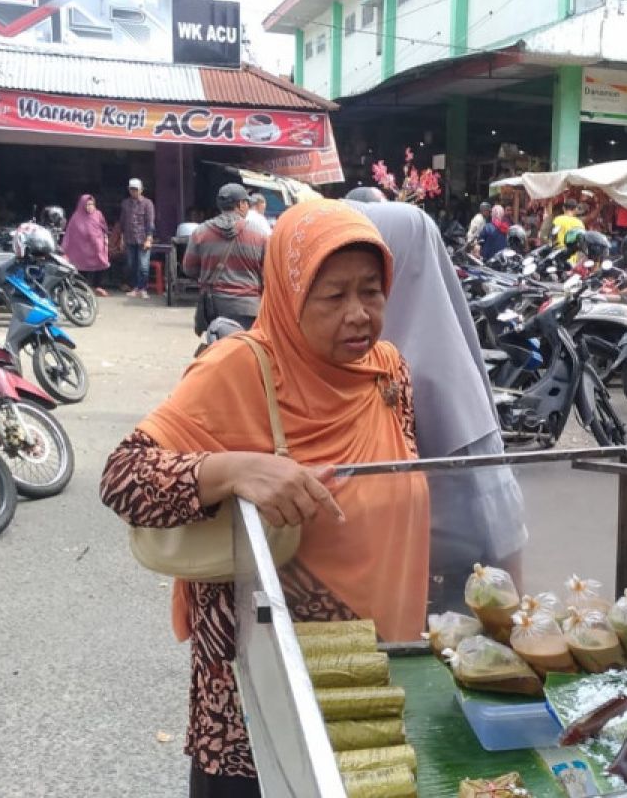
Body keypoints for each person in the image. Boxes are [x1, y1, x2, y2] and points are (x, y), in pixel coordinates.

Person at [100, 200, 429, 797]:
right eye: (333, 297)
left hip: (378, 649)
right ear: (289, 291)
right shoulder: (238, 369)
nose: (359, 314)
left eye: (371, 291)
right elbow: (122, 478)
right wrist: (232, 470)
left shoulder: (387, 371)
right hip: (264, 664)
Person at [347, 199, 527, 611]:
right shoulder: (350, 360)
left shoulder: (437, 378)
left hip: (448, 603)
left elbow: (501, 524)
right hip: (367, 599)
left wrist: (513, 623)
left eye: (370, 281)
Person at [182, 184, 268, 330]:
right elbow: (267, 275)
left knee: (215, 350)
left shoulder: (200, 232)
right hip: (248, 308)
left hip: (213, 308)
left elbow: (189, 269)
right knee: (246, 350)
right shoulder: (260, 234)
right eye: (247, 202)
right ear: (240, 204)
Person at [62, 194, 110, 297]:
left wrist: (103, 239)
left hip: (96, 246)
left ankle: (98, 287)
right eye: (87, 204)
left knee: (101, 264)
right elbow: (70, 233)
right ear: (82, 205)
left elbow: (104, 227)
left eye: (92, 204)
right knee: (82, 267)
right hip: (81, 248)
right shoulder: (76, 217)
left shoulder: (98, 214)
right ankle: (82, 287)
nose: (90, 207)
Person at [120, 178, 155, 298]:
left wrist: (149, 239)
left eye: (136, 189)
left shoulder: (147, 203)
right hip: (130, 238)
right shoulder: (125, 203)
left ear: (141, 190)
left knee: (143, 266)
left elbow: (150, 222)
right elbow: (123, 223)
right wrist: (122, 238)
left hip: (143, 239)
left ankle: (143, 288)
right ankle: (135, 288)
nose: (133, 191)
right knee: (131, 265)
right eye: (131, 189)